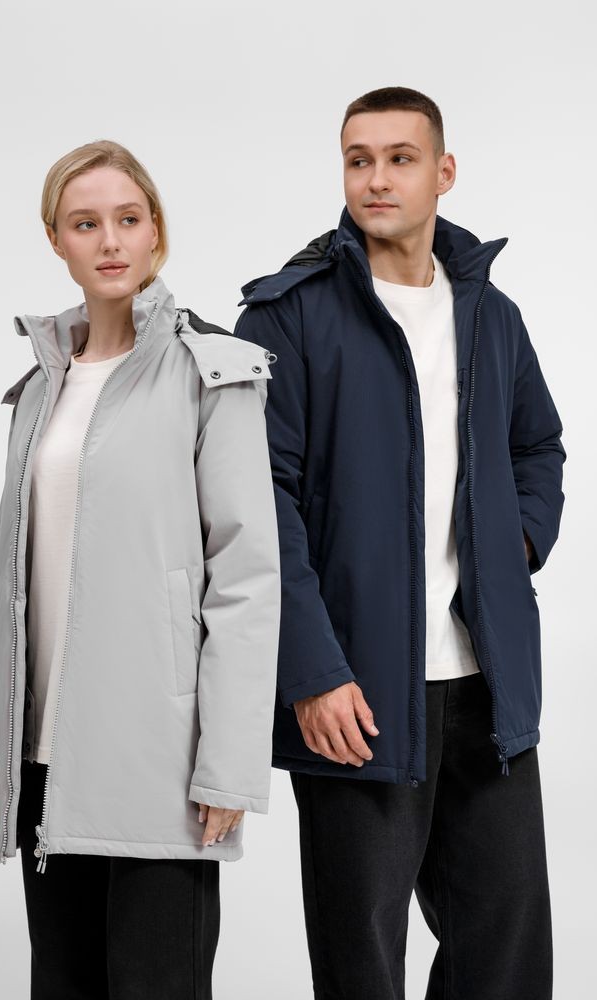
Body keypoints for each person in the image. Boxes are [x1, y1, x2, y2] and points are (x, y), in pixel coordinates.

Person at [235, 87, 565, 999]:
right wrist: (310, 673)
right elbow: (259, 506)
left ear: (442, 172)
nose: (375, 179)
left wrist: (516, 546)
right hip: (356, 692)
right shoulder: (287, 316)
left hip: (487, 685)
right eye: (358, 160)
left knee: (504, 959)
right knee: (362, 966)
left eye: (399, 158)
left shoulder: (489, 315)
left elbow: (536, 444)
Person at [0, 139, 281, 1000]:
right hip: (44, 759)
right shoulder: (40, 386)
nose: (109, 241)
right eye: (85, 223)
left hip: (159, 761)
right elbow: (4, 585)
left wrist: (229, 763)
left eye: (128, 219)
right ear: (55, 240)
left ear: (156, 232)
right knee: (62, 983)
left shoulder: (212, 372)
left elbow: (246, 578)